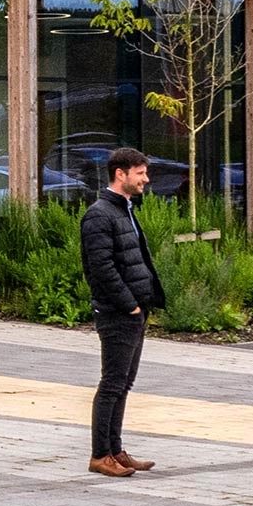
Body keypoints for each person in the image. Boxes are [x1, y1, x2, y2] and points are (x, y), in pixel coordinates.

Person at [77, 147, 165, 479]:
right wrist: (129, 304)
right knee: (112, 383)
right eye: (140, 173)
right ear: (120, 174)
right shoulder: (100, 215)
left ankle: (115, 450)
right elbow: (101, 268)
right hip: (119, 312)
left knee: (123, 383)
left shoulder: (123, 209)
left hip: (133, 312)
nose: (146, 179)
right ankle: (100, 455)